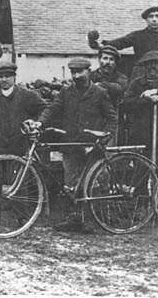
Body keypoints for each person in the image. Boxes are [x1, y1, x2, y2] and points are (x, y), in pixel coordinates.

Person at [38, 57, 118, 232]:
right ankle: (73, 219)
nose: (76, 75)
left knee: (93, 184)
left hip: (91, 146)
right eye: (73, 72)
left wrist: (105, 135)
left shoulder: (99, 92)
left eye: (79, 72)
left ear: (88, 71)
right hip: (71, 144)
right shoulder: (66, 92)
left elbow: (112, 118)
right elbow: (52, 109)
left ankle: (92, 220)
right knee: (70, 184)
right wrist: (40, 123)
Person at [122, 51, 158, 172]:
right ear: (144, 67)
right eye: (148, 65)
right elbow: (126, 104)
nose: (152, 68)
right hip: (141, 133)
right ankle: (141, 191)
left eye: (157, 65)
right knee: (141, 169)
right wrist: (145, 99)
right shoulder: (136, 83)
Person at [0, 61, 46, 158]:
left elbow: (44, 110)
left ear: (14, 77)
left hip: (20, 146)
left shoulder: (28, 95)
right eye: (0, 77)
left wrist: (34, 124)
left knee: (20, 172)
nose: (4, 79)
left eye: (7, 76)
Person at [88, 5, 158, 82]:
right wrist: (102, 45)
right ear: (146, 19)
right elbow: (121, 42)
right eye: (151, 16)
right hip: (140, 76)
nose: (154, 19)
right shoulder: (137, 36)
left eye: (157, 16)